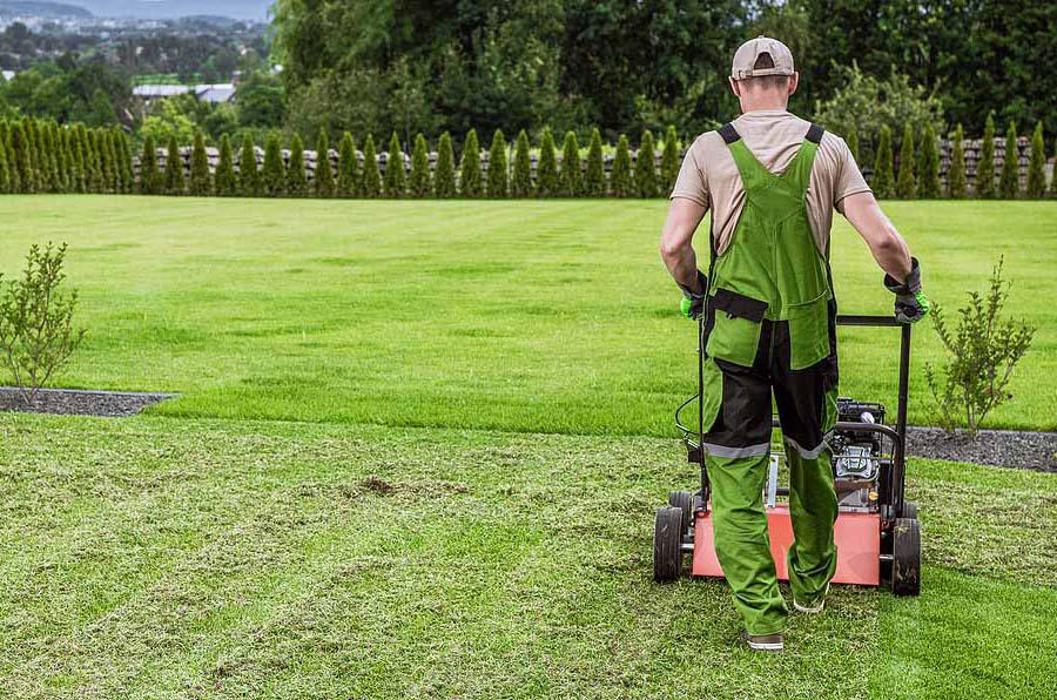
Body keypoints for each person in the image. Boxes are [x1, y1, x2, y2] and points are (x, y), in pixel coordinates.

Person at [658, 36, 929, 652]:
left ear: (735, 87)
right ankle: (811, 584)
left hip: (734, 337)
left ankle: (761, 618)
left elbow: (673, 247)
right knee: (811, 453)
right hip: (806, 338)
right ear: (793, 81)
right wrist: (907, 281)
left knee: (732, 469)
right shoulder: (826, 148)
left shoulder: (708, 150)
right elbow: (883, 240)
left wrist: (698, 289)